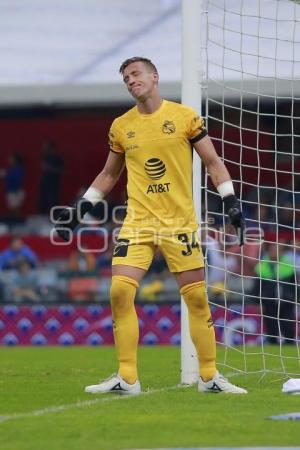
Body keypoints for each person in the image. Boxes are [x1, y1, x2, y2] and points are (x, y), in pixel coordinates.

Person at [55, 57, 247, 395]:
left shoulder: (184, 117)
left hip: (179, 223)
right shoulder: (121, 126)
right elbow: (109, 174)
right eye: (126, 78)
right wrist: (80, 210)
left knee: (197, 300)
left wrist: (230, 200)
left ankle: (209, 377)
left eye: (136, 74)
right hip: (138, 222)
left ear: (154, 76)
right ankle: (127, 378)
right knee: (119, 291)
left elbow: (213, 162)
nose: (131, 81)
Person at [254, 242, 296, 344]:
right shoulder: (261, 266)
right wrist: (258, 302)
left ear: (281, 252)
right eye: (272, 249)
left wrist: (295, 298)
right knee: (271, 325)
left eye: (277, 249)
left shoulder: (288, 265)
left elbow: (294, 285)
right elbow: (256, 287)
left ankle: (290, 344)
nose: (274, 251)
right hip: (269, 301)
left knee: (288, 325)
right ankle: (273, 344)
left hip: (286, 300)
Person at [38, 140, 64, 214]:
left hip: (53, 183)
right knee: (43, 200)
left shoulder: (57, 158)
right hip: (45, 182)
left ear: (51, 148)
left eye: (46, 148)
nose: (44, 149)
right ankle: (44, 215)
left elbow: (62, 170)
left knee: (52, 200)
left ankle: (54, 215)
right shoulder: (46, 157)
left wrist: (50, 169)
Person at [0, 152, 25, 222]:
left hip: (15, 192)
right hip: (11, 191)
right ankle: (14, 222)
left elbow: (17, 181)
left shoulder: (18, 169)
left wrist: (6, 176)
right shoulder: (11, 169)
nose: (9, 160)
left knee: (15, 209)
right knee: (12, 208)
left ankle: (18, 223)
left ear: (15, 160)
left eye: (11, 158)